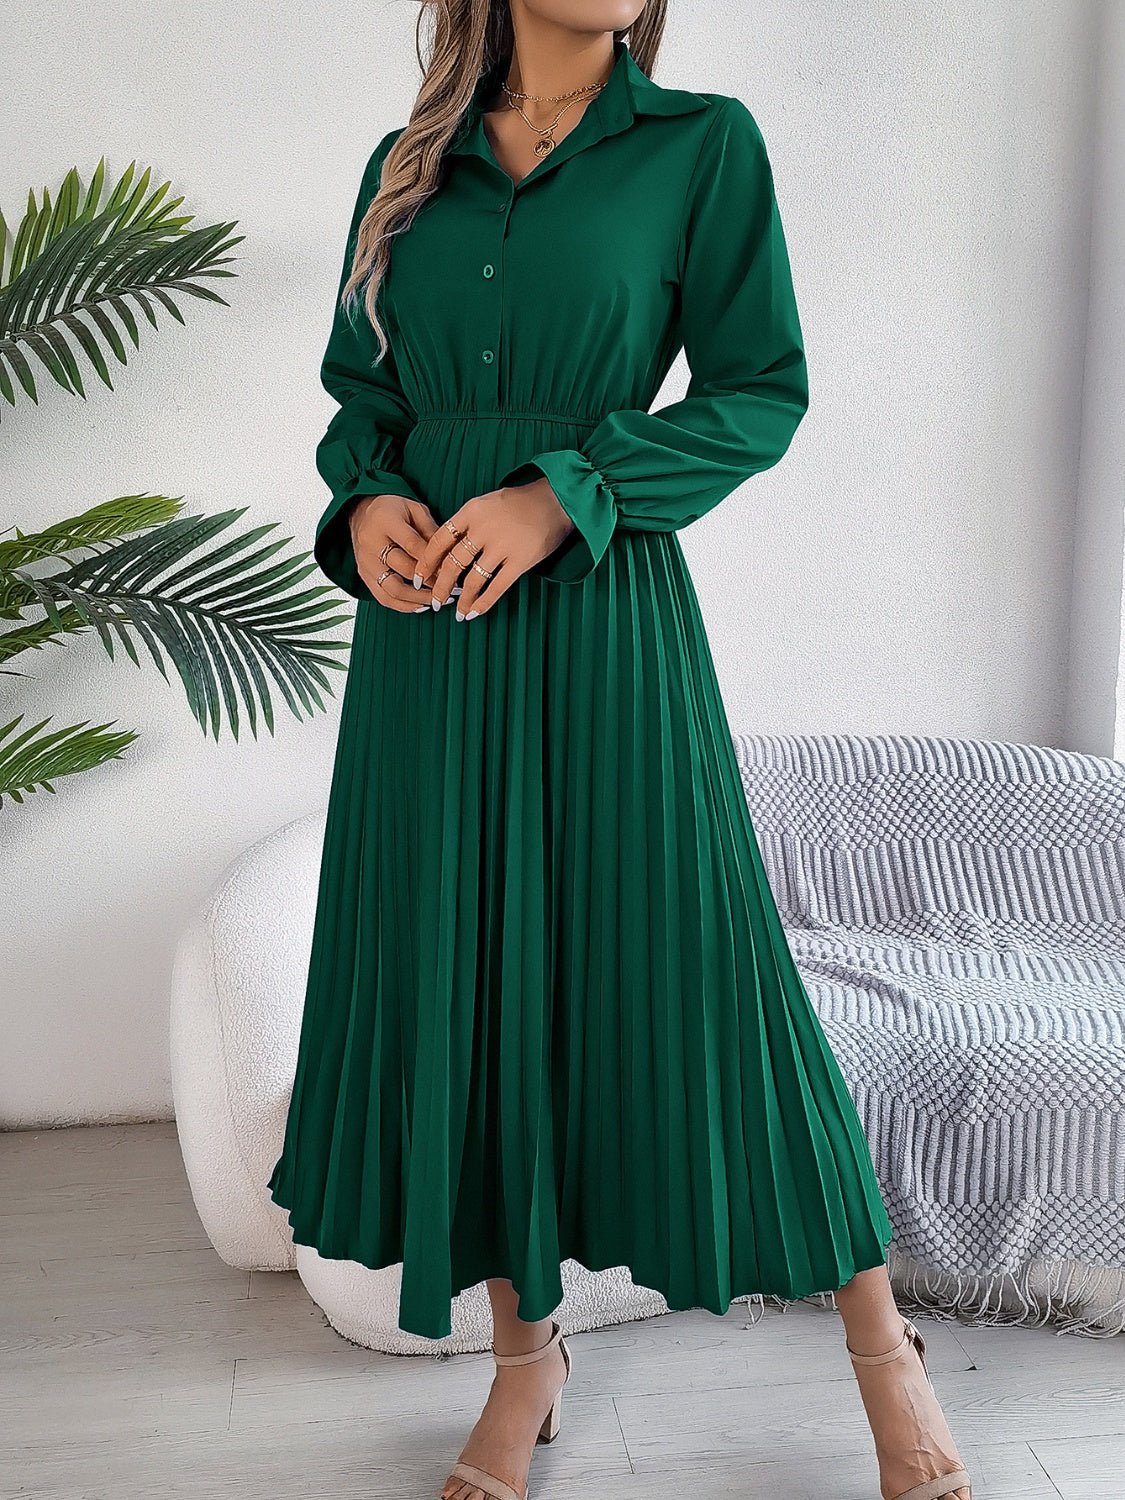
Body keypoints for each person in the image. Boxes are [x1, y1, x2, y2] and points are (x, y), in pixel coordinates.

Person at [268, 4, 973, 1499]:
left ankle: (881, 1347)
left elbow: (758, 389)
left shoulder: (701, 146)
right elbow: (362, 400)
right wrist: (364, 503)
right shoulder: (407, 164)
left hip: (602, 612)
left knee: (710, 971)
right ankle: (526, 1365)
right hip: (429, 641)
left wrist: (560, 496)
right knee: (474, 973)